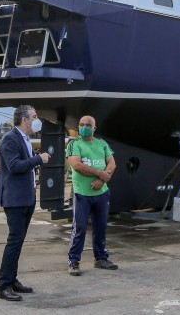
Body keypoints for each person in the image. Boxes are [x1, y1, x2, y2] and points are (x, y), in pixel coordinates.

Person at [0, 105, 51, 302]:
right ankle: (3, 286)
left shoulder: (25, 139)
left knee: (18, 241)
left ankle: (12, 279)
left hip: (26, 198)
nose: (37, 120)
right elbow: (15, 166)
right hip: (14, 199)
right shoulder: (10, 139)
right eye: (34, 116)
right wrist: (38, 159)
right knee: (15, 240)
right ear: (25, 120)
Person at [66, 115, 118, 276]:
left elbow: (112, 163)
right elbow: (76, 165)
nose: (84, 127)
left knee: (100, 226)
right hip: (82, 193)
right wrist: (100, 174)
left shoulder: (102, 144)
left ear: (94, 128)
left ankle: (101, 258)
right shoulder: (74, 144)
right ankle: (73, 261)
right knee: (80, 227)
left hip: (101, 193)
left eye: (88, 125)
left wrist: (102, 180)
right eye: (81, 124)